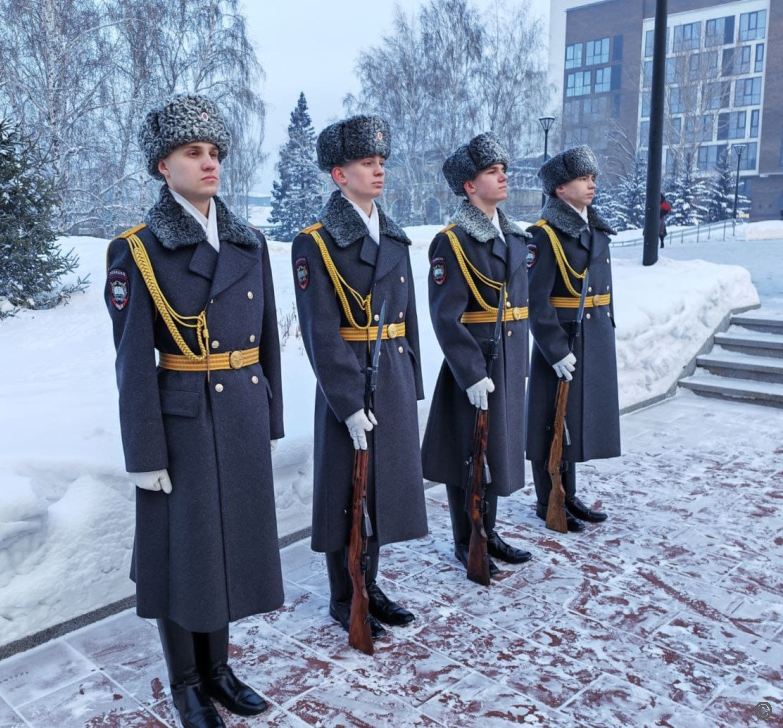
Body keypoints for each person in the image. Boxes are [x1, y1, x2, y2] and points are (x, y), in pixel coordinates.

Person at [105, 94, 284, 728]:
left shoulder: (247, 241)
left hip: (239, 414)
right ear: (163, 166)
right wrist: (144, 453)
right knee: (186, 556)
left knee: (227, 547)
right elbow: (132, 362)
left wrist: (269, 415)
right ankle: (186, 683)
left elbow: (266, 338)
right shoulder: (138, 250)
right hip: (180, 422)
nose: (209, 163)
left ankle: (219, 671)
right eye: (192, 152)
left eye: (214, 152)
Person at [291, 115, 428, 640]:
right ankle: (344, 594)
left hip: (390, 372)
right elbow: (320, 332)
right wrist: (347, 403)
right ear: (338, 174)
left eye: (381, 162)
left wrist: (412, 380)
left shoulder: (392, 236)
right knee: (347, 488)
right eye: (366, 162)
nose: (378, 170)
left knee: (381, 486)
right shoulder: (317, 243)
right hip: (347, 378)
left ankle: (370, 583)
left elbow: (408, 317)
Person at [421, 133, 532, 575]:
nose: (503, 176)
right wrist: (470, 372)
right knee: (469, 454)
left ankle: (490, 532)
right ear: (469, 185)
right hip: (474, 367)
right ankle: (467, 540)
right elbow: (445, 317)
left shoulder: (514, 235)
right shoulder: (453, 242)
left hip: (507, 363)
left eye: (503, 169)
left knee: (496, 451)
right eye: (491, 171)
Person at [525, 145, 620, 532]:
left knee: (573, 420)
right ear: (560, 189)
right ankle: (548, 499)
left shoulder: (593, 228)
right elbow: (535, 300)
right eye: (583, 178)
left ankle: (569, 493)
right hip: (562, 339)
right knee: (551, 420)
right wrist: (555, 349)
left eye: (592, 177)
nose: (592, 184)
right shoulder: (544, 234)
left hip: (592, 335)